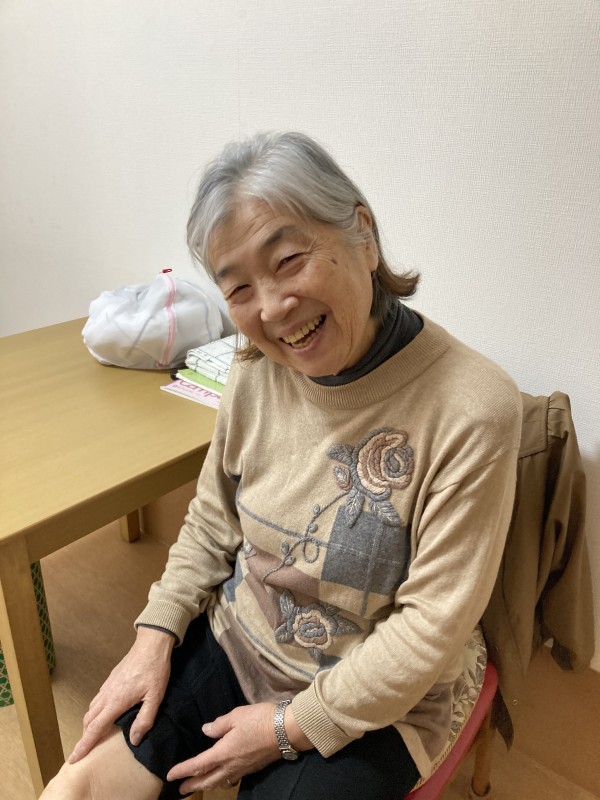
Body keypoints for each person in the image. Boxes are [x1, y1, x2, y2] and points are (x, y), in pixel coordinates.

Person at [41, 131, 522, 800]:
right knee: (80, 786)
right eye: (239, 288)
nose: (270, 309)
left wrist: (284, 729)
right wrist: (154, 634)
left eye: (289, 260)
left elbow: (427, 631)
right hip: (242, 641)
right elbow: (212, 519)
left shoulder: (474, 407)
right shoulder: (254, 370)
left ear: (363, 234)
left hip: (383, 702)